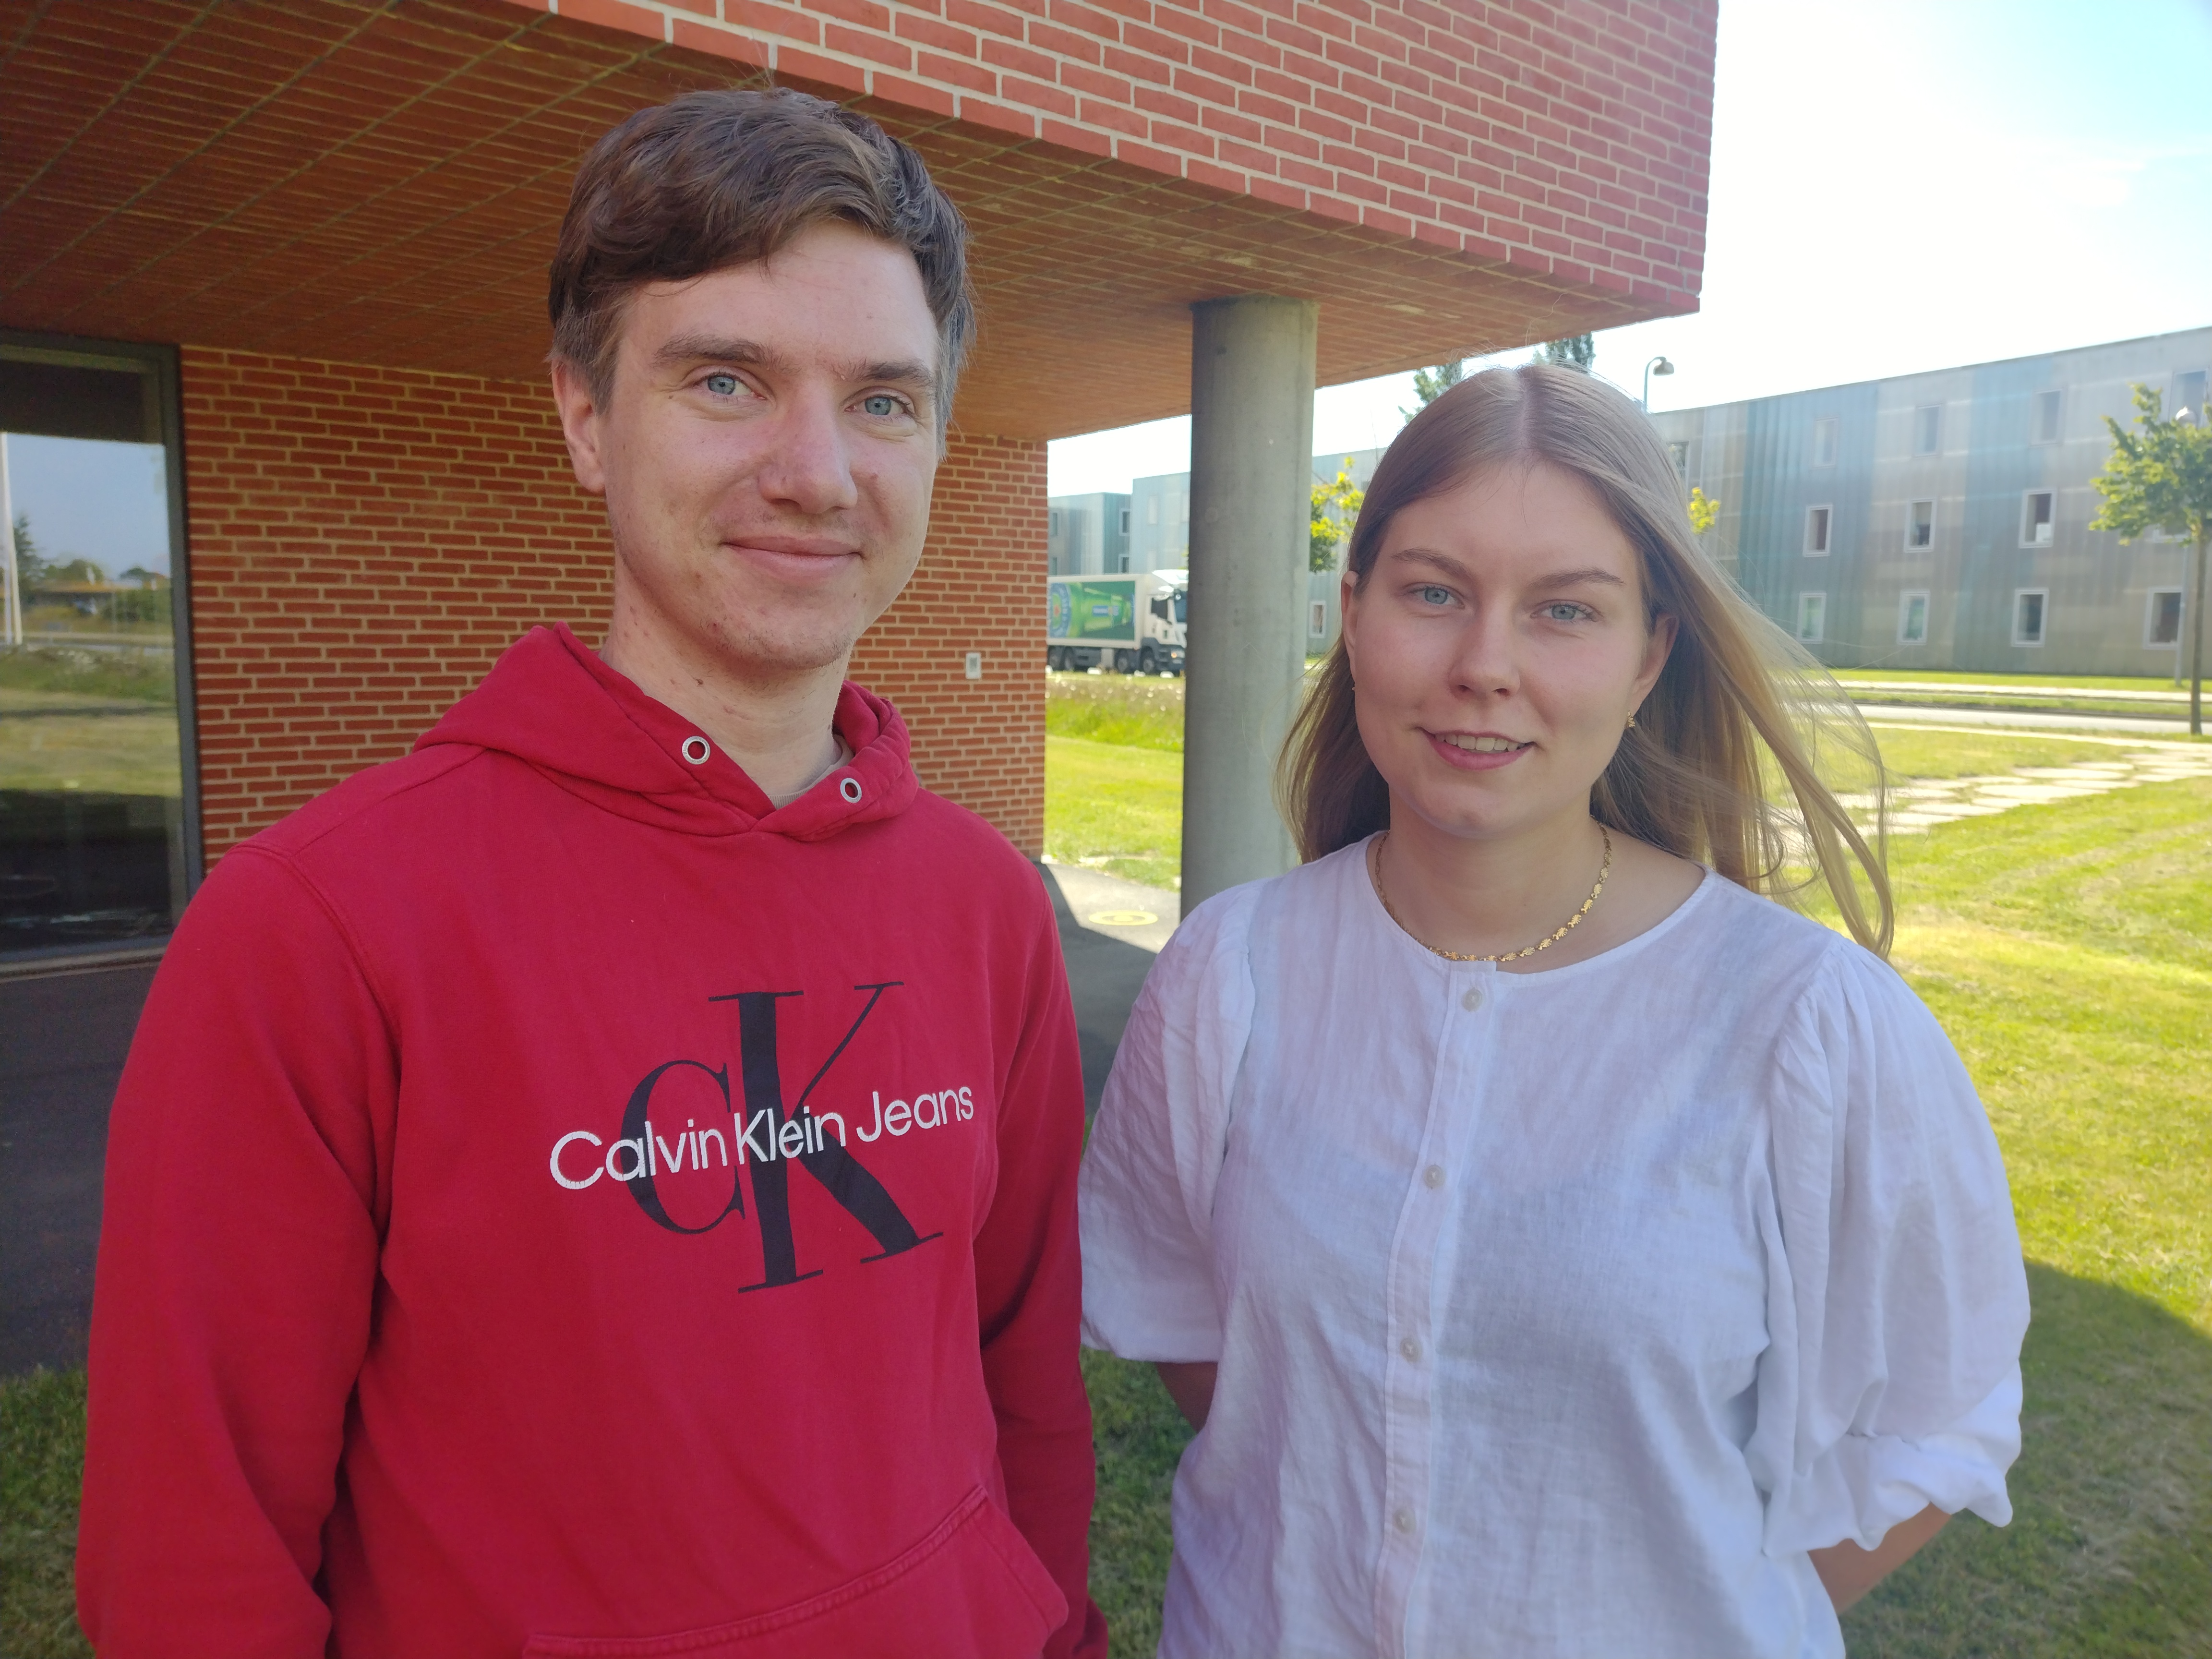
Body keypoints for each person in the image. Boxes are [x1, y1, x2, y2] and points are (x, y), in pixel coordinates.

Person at [79, 88, 1104, 1659]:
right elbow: (190, 1559)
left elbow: (1025, 1377)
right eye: (724, 379)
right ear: (581, 414)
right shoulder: (320, 930)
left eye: (885, 401)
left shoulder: (985, 905)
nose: (818, 470)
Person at [1078, 364, 2029, 1658]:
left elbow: (1931, 1417)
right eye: (1432, 592)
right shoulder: (1228, 972)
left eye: (1564, 611)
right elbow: (1201, 1345)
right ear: (1351, 614)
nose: (1486, 667)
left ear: (1650, 657)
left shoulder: (1805, 1027)